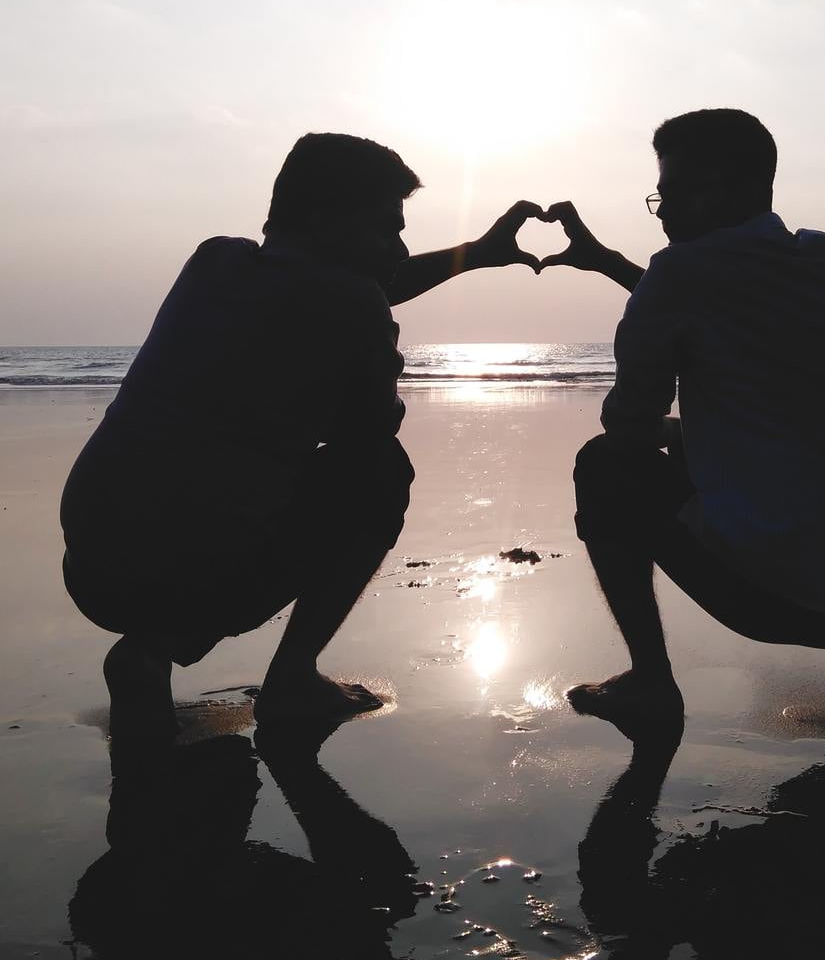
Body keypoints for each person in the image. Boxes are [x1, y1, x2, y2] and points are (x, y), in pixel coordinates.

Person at [61, 132, 542, 739]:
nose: (400, 245)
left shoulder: (214, 260)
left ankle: (151, 647)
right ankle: (290, 677)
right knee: (379, 472)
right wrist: (378, 368)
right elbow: (368, 430)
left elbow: (334, 284)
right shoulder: (355, 303)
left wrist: (470, 255)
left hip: (92, 564)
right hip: (190, 571)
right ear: (324, 218)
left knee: (210, 497)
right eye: (387, 228)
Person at [537, 108, 825, 727]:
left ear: (729, 188)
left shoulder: (678, 274)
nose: (661, 212)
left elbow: (630, 426)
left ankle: (650, 681)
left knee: (605, 464)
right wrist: (612, 262)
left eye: (672, 195)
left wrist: (674, 434)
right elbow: (727, 305)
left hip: (781, 602)